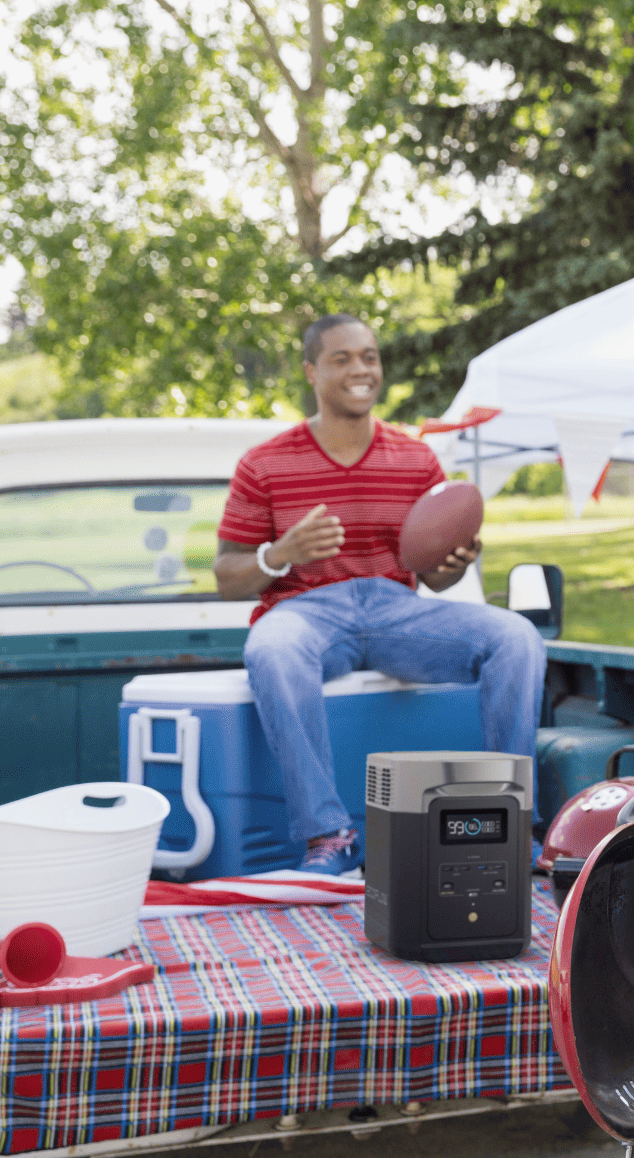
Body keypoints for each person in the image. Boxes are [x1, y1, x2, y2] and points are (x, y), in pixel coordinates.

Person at [214, 314, 547, 875]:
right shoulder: (264, 463)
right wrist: (283, 551)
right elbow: (226, 575)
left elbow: (433, 577)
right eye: (342, 358)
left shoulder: (416, 459)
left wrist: (452, 564)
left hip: (396, 609)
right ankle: (328, 836)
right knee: (270, 649)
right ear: (311, 372)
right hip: (305, 609)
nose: (360, 369)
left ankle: (507, 819)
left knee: (516, 636)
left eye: (368, 356)